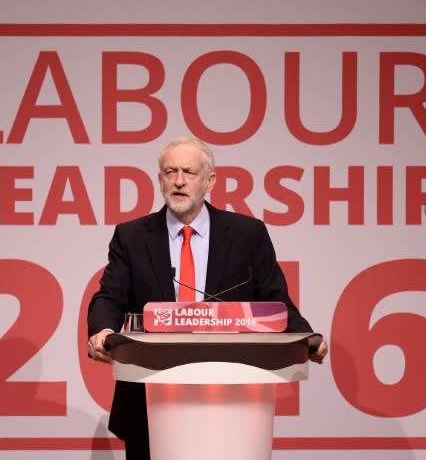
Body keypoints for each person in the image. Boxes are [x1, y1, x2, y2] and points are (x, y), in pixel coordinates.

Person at [87, 136, 328, 460]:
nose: (179, 181)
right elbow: (110, 295)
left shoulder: (247, 234)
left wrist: (308, 338)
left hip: (232, 401)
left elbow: (277, 302)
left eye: (189, 172)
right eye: (170, 172)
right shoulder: (131, 236)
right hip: (149, 402)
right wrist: (102, 331)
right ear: (159, 180)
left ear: (210, 180)